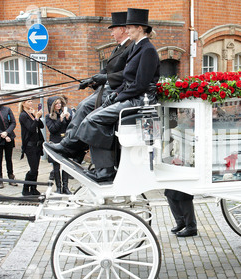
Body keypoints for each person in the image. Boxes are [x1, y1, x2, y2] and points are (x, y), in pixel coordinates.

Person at [49, 8, 160, 183]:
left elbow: (140, 84)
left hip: (139, 100)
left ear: (139, 28)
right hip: (129, 96)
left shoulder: (148, 50)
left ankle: (105, 169)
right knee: (91, 116)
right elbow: (126, 79)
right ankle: (95, 163)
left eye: (129, 27)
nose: (127, 29)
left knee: (93, 120)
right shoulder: (136, 48)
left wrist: (118, 96)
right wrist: (116, 93)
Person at [48, 11, 133, 162]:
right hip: (107, 88)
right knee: (82, 105)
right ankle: (73, 145)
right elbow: (107, 70)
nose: (111, 33)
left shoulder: (131, 47)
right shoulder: (118, 48)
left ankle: (70, 145)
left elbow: (128, 74)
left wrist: (105, 78)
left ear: (123, 29)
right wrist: (92, 80)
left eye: (113, 29)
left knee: (85, 106)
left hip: (116, 91)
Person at [45, 96, 72, 194]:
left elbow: (70, 126)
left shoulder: (64, 113)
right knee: (56, 166)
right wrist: (60, 120)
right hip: (55, 142)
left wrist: (68, 118)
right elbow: (52, 129)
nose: (59, 105)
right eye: (56, 103)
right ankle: (59, 188)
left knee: (66, 165)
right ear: (52, 105)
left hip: (65, 141)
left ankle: (66, 187)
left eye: (60, 103)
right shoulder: (49, 116)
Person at [19, 98, 44, 196]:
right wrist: (36, 118)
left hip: (37, 145)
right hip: (30, 146)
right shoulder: (23, 115)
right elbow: (31, 129)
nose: (31, 103)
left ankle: (33, 188)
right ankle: (25, 189)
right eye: (28, 101)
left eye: (31, 101)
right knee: (33, 169)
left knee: (36, 169)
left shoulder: (31, 113)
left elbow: (41, 126)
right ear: (23, 103)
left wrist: (36, 116)